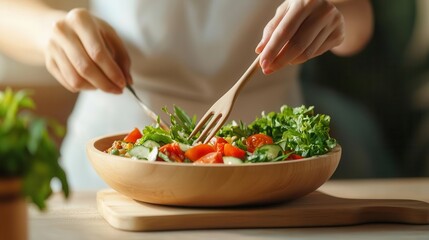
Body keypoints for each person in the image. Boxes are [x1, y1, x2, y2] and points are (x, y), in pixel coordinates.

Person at [0, 0, 373, 189]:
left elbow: (359, 22)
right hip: (113, 170)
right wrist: (48, 31)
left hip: (269, 170)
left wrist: (334, 11)